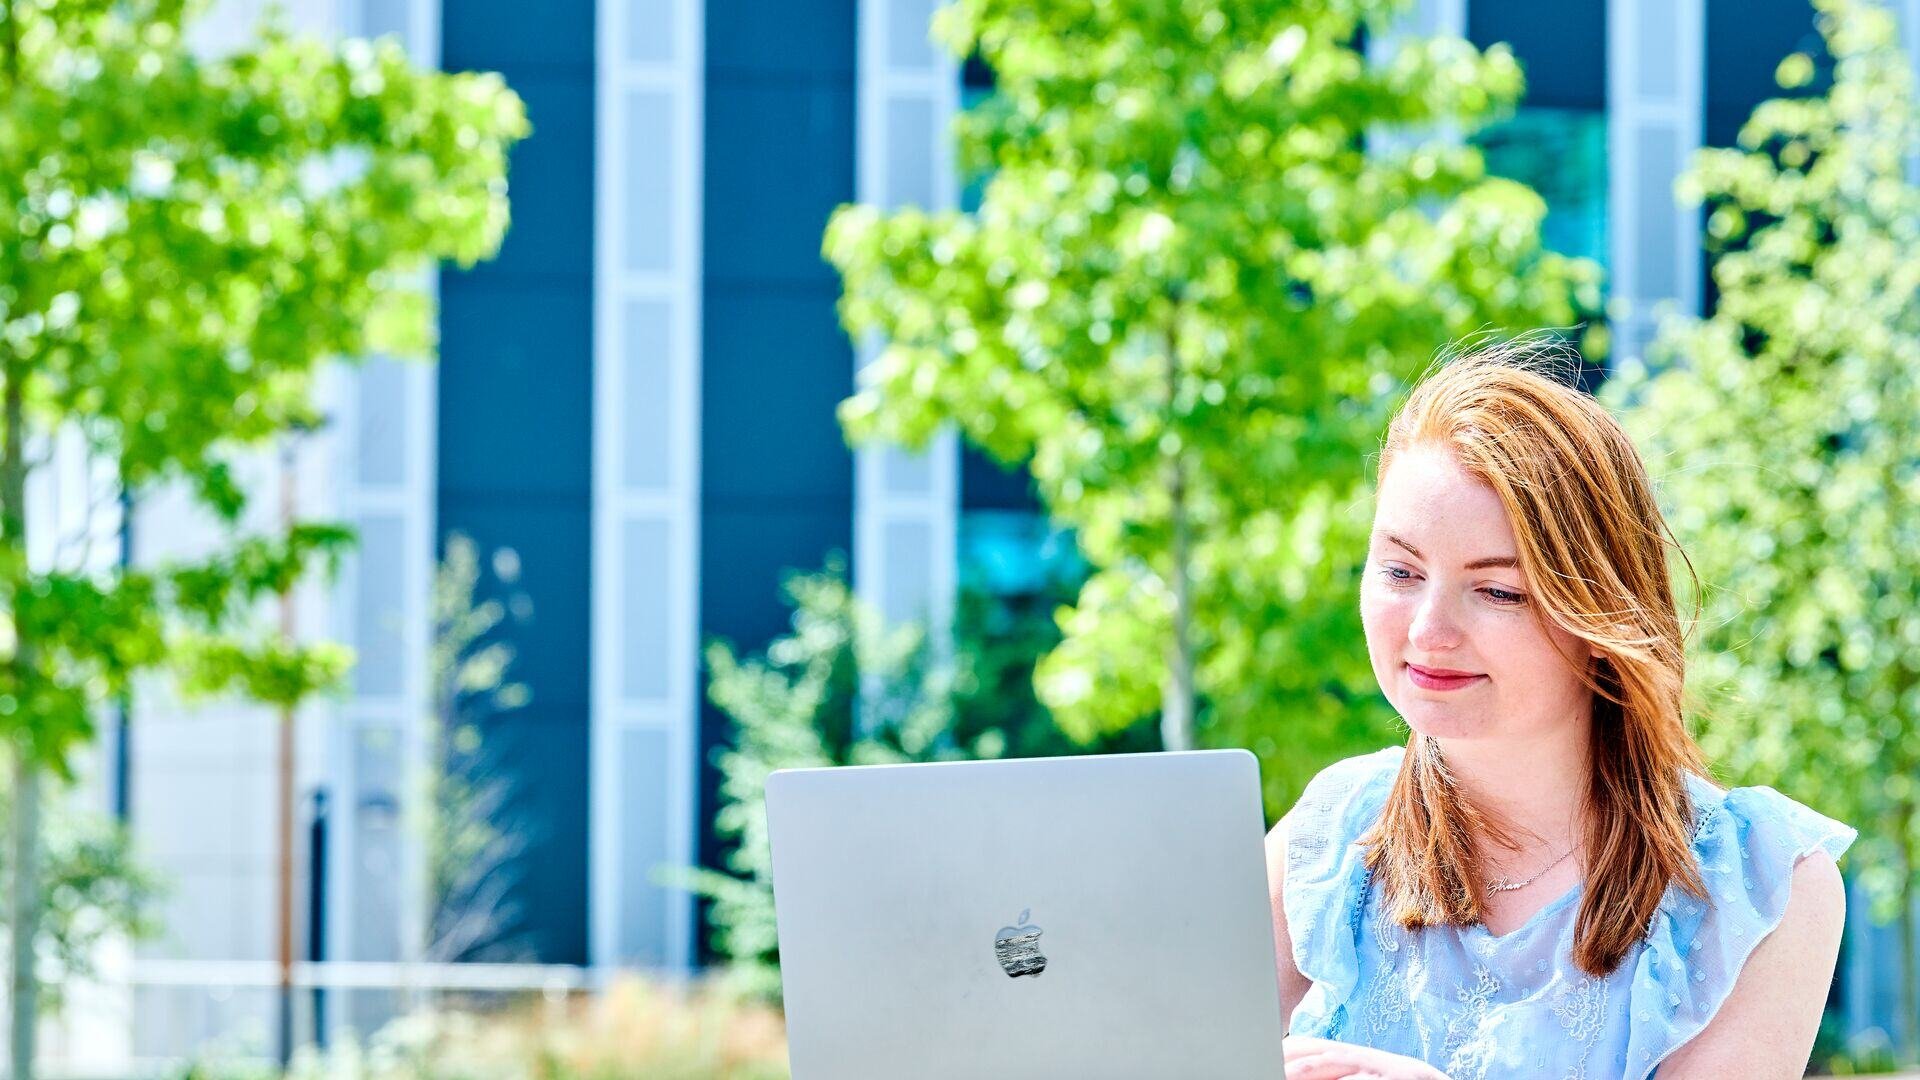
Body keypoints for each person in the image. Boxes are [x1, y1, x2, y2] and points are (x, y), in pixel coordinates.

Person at [1266, 341, 1855, 1080]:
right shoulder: (1334, 832)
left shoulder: (1762, 885)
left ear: (1602, 610)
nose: (1426, 632)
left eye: (1499, 591)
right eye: (1400, 571)